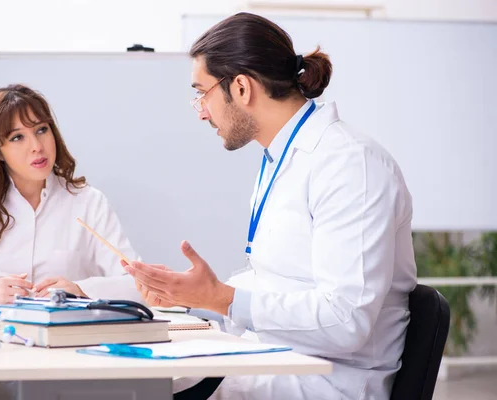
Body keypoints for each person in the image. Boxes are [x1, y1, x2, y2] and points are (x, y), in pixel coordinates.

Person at [124, 12, 417, 400]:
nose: (201, 111)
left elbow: (346, 321)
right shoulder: (283, 158)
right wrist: (191, 296)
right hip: (278, 361)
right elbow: (276, 283)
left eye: (203, 93)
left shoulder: (350, 164)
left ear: (242, 87)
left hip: (329, 382)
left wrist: (220, 298)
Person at [0, 83, 142, 309]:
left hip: (64, 340)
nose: (37, 146)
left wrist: (79, 290)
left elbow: (136, 285)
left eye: (42, 130)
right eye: (17, 137)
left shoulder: (89, 202)